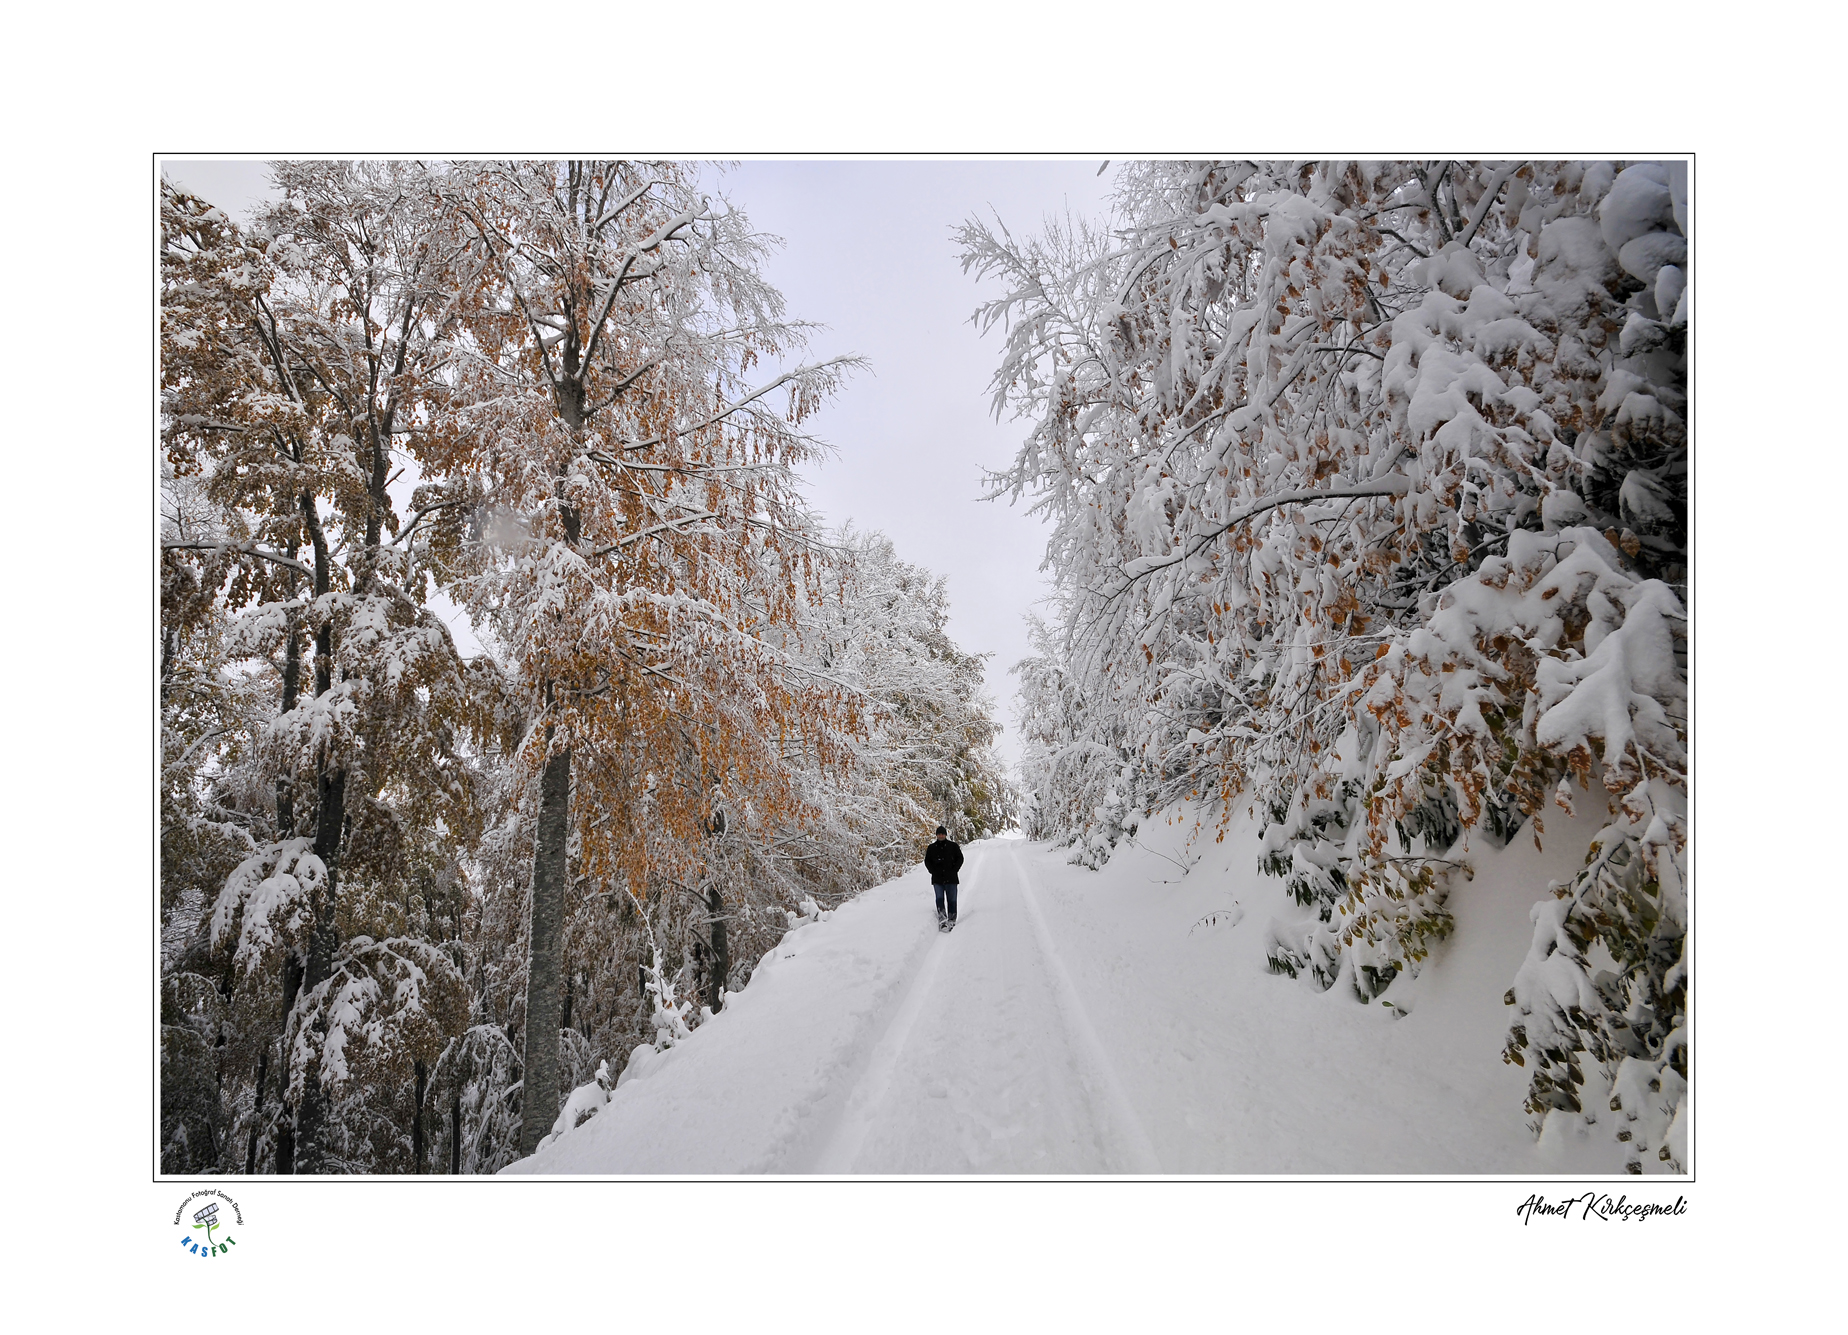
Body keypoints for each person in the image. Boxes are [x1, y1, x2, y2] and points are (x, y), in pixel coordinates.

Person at [924, 824, 963, 932]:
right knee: (939, 899)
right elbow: (927, 861)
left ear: (945, 835)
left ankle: (952, 919)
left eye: (942, 834)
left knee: (952, 899)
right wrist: (932, 870)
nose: (941, 836)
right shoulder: (931, 848)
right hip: (937, 879)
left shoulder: (953, 846)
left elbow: (960, 858)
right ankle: (942, 919)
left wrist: (955, 869)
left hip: (951, 878)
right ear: (936, 835)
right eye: (939, 834)